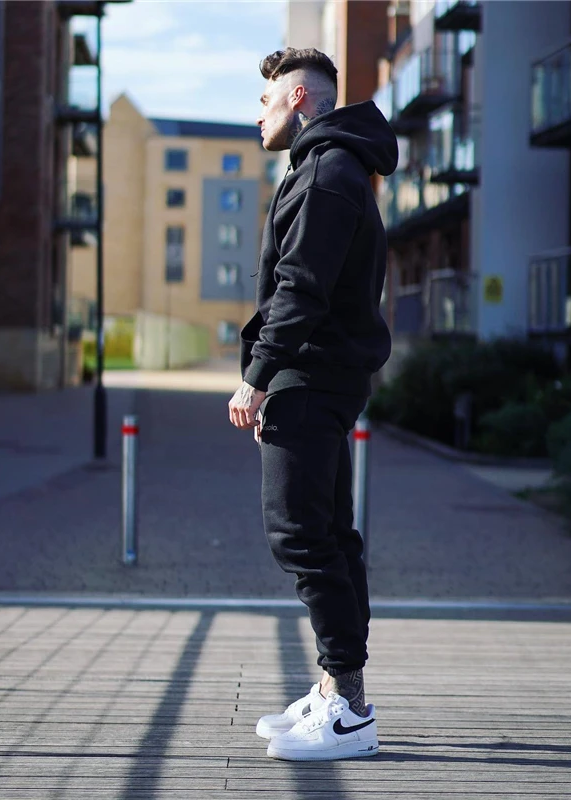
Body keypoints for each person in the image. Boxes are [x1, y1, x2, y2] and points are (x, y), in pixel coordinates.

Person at [227, 47, 397, 762]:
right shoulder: (330, 167)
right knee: (328, 534)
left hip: (310, 374)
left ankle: (348, 710)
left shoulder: (326, 173)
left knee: (299, 534)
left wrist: (258, 375)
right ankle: (337, 689)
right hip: (321, 373)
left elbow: (301, 287)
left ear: (299, 99)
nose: (257, 114)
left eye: (266, 101)